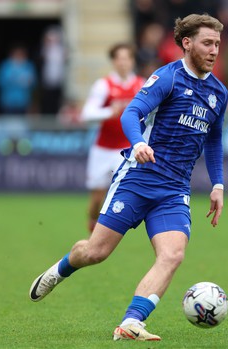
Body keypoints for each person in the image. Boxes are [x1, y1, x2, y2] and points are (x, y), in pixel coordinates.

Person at [29, 13, 228, 342]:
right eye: (208, 43)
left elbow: (215, 140)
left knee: (173, 255)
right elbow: (131, 112)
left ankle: (132, 321)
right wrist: (137, 143)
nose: (214, 50)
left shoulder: (218, 93)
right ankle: (60, 269)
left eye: (218, 44)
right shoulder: (167, 78)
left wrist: (218, 184)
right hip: (139, 178)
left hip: (174, 188)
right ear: (187, 43)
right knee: (96, 252)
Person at [80, 43, 145, 233]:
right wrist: (110, 111)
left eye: (127, 58)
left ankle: (110, 232)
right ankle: (93, 222)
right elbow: (87, 114)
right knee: (97, 198)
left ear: (132, 61)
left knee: (122, 193)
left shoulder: (141, 84)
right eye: (119, 58)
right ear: (113, 61)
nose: (123, 63)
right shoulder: (104, 85)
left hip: (125, 150)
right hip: (102, 149)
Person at [0, 44, 37, 115]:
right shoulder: (5, 66)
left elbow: (33, 83)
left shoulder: (28, 66)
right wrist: (16, 80)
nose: (19, 56)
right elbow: (0, 81)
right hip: (7, 101)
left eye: (21, 54)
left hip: (23, 101)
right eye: (17, 54)